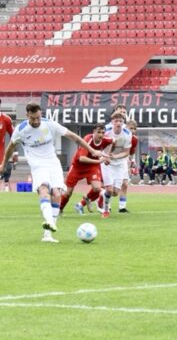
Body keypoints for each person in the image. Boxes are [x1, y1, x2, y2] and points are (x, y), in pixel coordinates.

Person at [2, 103, 106, 243]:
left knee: (57, 194)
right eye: (33, 118)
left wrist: (92, 151)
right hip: (38, 166)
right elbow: (10, 147)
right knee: (44, 190)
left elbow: (73, 136)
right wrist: (4, 163)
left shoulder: (49, 124)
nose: (37, 121)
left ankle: (48, 234)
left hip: (53, 163)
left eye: (38, 117)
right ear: (27, 116)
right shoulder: (21, 130)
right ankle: (50, 220)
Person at [60, 124, 110, 216]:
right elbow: (82, 158)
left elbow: (113, 142)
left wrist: (107, 156)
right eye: (98, 132)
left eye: (103, 132)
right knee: (67, 193)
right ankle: (59, 209)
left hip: (92, 166)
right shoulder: (88, 139)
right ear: (93, 132)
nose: (101, 135)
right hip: (77, 167)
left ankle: (86, 199)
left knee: (98, 188)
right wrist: (99, 160)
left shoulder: (106, 140)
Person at [99, 113, 135, 219]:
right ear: (112, 122)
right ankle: (105, 211)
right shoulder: (106, 130)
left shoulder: (127, 133)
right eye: (116, 121)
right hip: (107, 163)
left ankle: (100, 192)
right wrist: (104, 157)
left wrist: (114, 156)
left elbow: (126, 152)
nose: (118, 123)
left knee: (115, 192)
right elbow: (99, 145)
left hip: (120, 163)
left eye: (120, 121)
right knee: (109, 190)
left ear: (123, 122)